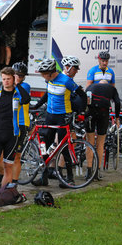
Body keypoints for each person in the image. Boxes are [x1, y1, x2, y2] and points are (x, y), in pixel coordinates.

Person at [33, 58, 86, 188]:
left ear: (51, 73)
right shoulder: (49, 80)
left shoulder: (66, 80)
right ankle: (44, 177)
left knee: (63, 148)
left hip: (63, 116)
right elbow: (47, 95)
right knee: (47, 146)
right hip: (50, 116)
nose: (43, 77)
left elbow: (82, 96)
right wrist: (36, 106)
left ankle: (70, 178)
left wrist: (79, 112)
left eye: (44, 74)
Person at [0, 67, 31, 192]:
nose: (6, 81)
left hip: (12, 135)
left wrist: (17, 84)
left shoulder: (18, 94)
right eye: (4, 79)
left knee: (8, 166)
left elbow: (26, 100)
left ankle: (3, 195)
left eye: (9, 79)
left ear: (13, 79)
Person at [85, 80, 121, 178]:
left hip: (90, 114)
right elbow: (117, 103)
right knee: (100, 143)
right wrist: (117, 118)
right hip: (103, 114)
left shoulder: (90, 86)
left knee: (90, 142)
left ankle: (88, 171)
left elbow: (85, 100)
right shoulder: (112, 88)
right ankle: (96, 172)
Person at [11, 62, 31, 185]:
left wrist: (17, 84)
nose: (18, 77)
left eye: (21, 76)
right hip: (9, 123)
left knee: (17, 156)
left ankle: (14, 181)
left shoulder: (25, 86)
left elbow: (25, 99)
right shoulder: (7, 85)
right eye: (16, 75)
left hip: (22, 124)